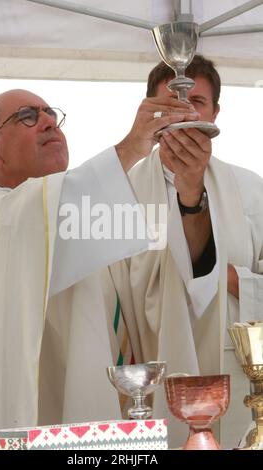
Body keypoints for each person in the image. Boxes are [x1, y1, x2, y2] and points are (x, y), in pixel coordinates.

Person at [0, 88, 200, 448]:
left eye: (50, 114)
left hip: (106, 441)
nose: (47, 122)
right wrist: (133, 146)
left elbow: (153, 288)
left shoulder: (85, 223)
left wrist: (186, 189)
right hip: (38, 431)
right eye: (28, 115)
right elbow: (40, 214)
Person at [101, 55, 263, 449]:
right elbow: (106, 291)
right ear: (148, 112)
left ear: (216, 112)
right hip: (151, 369)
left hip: (236, 371)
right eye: (170, 105)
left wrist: (231, 280)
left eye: (198, 103)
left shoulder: (252, 190)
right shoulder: (120, 193)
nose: (185, 115)